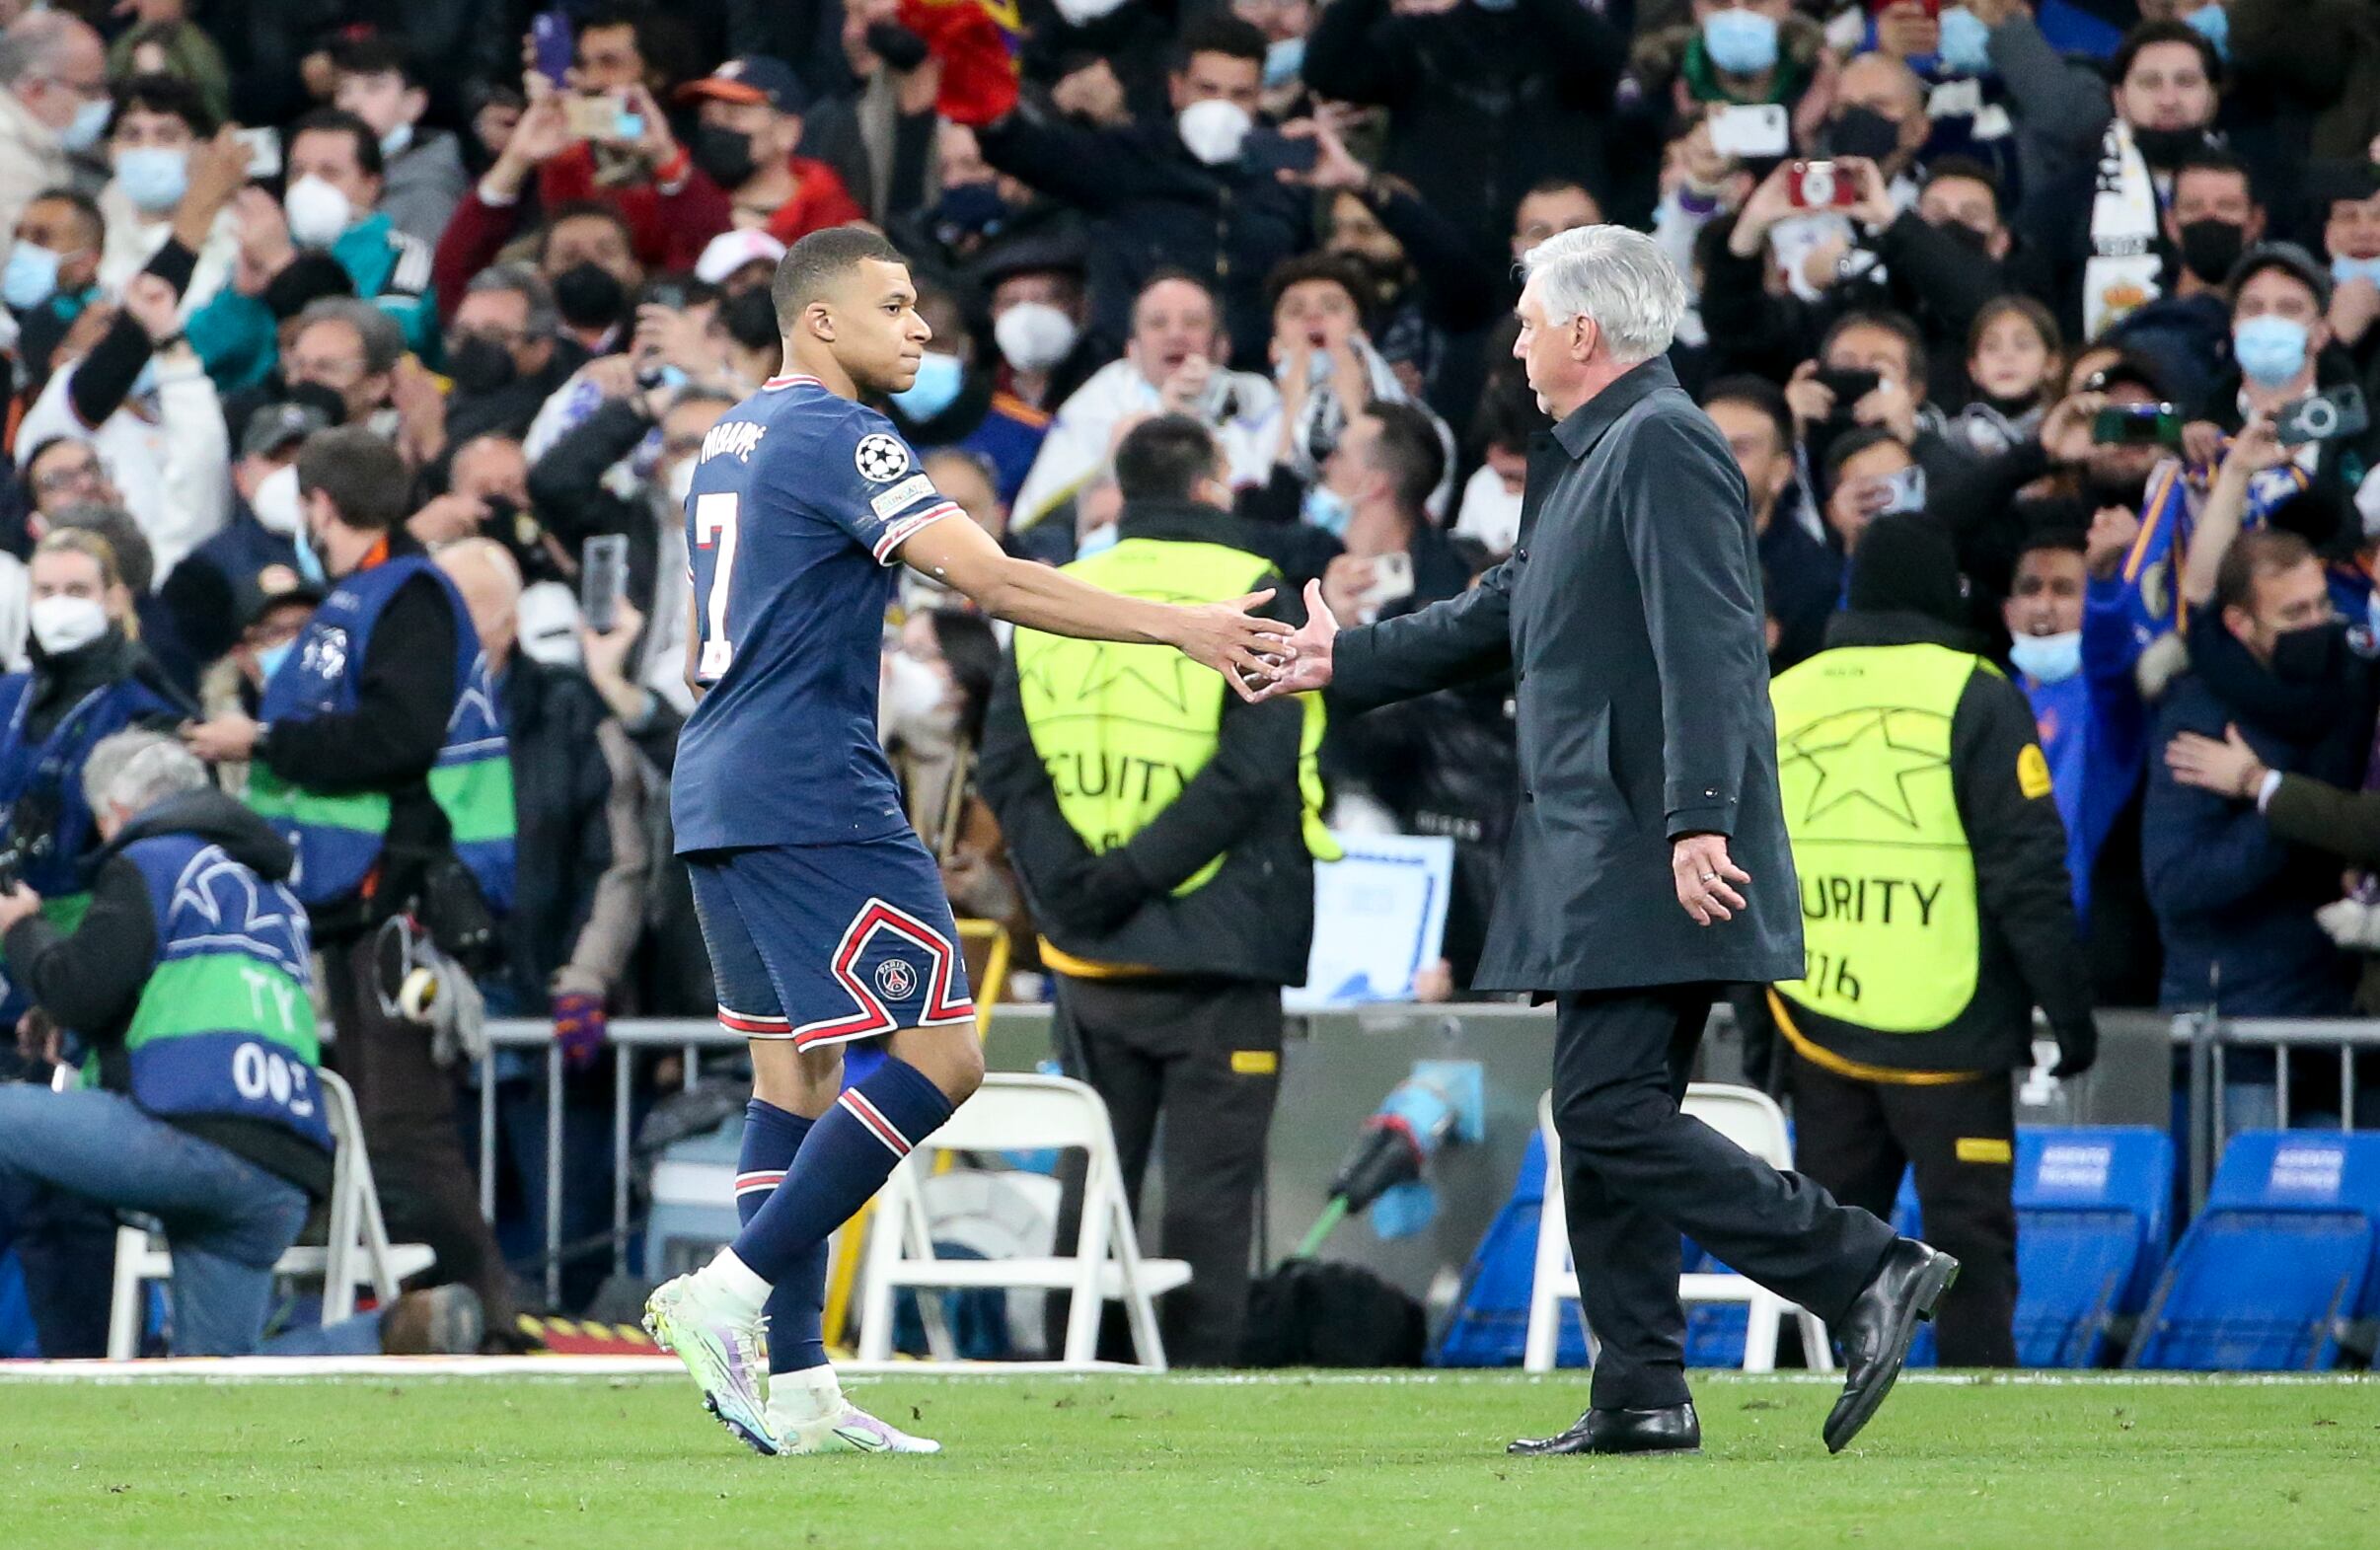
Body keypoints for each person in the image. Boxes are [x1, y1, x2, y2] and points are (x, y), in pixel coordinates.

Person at [1260, 225, 1943, 1457]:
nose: (1514, 342)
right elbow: (1506, 606)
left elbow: (1716, 648)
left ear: (1584, 332)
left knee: (1608, 1108)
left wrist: (1700, 820)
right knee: (1605, 1108)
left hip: (1650, 838)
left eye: (1528, 321)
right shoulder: (1594, 451)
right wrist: (1345, 657)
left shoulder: (1666, 442)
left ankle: (1865, 1265)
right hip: (1600, 839)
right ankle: (1641, 1388)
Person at [637, 227, 1289, 1457]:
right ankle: (729, 1292)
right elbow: (996, 582)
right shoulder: (845, 435)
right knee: (944, 1055)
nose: (922, 329)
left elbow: (694, 652)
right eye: (894, 307)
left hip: (716, 781)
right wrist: (1183, 630)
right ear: (819, 321)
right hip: (811, 789)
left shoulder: (726, 440)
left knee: (799, 1076)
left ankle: (798, 1388)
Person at [977, 414, 1331, 1365]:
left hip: (1088, 946)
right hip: (1219, 944)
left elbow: (1005, 767)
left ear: (1121, 491)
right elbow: (1253, 771)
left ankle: (1067, 1379)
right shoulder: (1258, 591)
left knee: (1087, 1192)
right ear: (1215, 482)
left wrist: (1078, 892)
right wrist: (1133, 875)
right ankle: (1203, 1399)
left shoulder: (1060, 595)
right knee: (1212, 1202)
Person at [179, 425, 523, 1346]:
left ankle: (489, 1319)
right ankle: (444, 1313)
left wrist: (263, 742)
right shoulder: (367, 593)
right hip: (352, 895)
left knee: (403, 1125)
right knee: (378, 1124)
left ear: (317, 504)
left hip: (397, 892)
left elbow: (397, 738)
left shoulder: (406, 594)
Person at [0, 729, 480, 1358]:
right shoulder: (275, 891)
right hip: (282, 1169)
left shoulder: (151, 860)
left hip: (188, 1135)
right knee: (215, 1381)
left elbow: (80, 988)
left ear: (117, 809)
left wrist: (19, 928)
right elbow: (170, 991)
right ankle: (382, 1336)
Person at [1769, 514, 2098, 1368]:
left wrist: (1759, 1012)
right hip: (1952, 1028)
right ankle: (1973, 1422)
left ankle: (1805, 1410)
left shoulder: (1782, 693)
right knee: (1970, 1248)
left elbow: (1732, 871)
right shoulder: (1979, 694)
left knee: (1826, 1248)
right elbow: (2028, 872)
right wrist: (2068, 1011)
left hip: (1819, 1016)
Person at [0, 530, 194, 925]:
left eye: (76, 591)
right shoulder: (10, 694)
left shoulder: (143, 710)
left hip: (86, 923)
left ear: (113, 599)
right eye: (46, 591)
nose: (59, 605)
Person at [0, 11, 108, 245]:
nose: (104, 101)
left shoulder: (36, 145)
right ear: (36, 89)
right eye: (91, 90)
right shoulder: (11, 167)